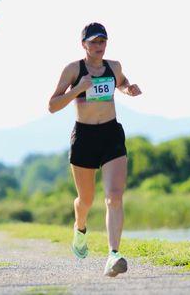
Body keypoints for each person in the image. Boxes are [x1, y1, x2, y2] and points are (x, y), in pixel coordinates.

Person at [48, 22, 142, 277]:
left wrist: (128, 89)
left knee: (114, 196)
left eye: (102, 41)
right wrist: (77, 89)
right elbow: (52, 105)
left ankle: (113, 255)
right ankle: (80, 228)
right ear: (84, 45)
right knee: (86, 200)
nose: (99, 46)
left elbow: (121, 82)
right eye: (94, 42)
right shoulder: (73, 70)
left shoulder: (114, 66)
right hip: (84, 137)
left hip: (111, 134)